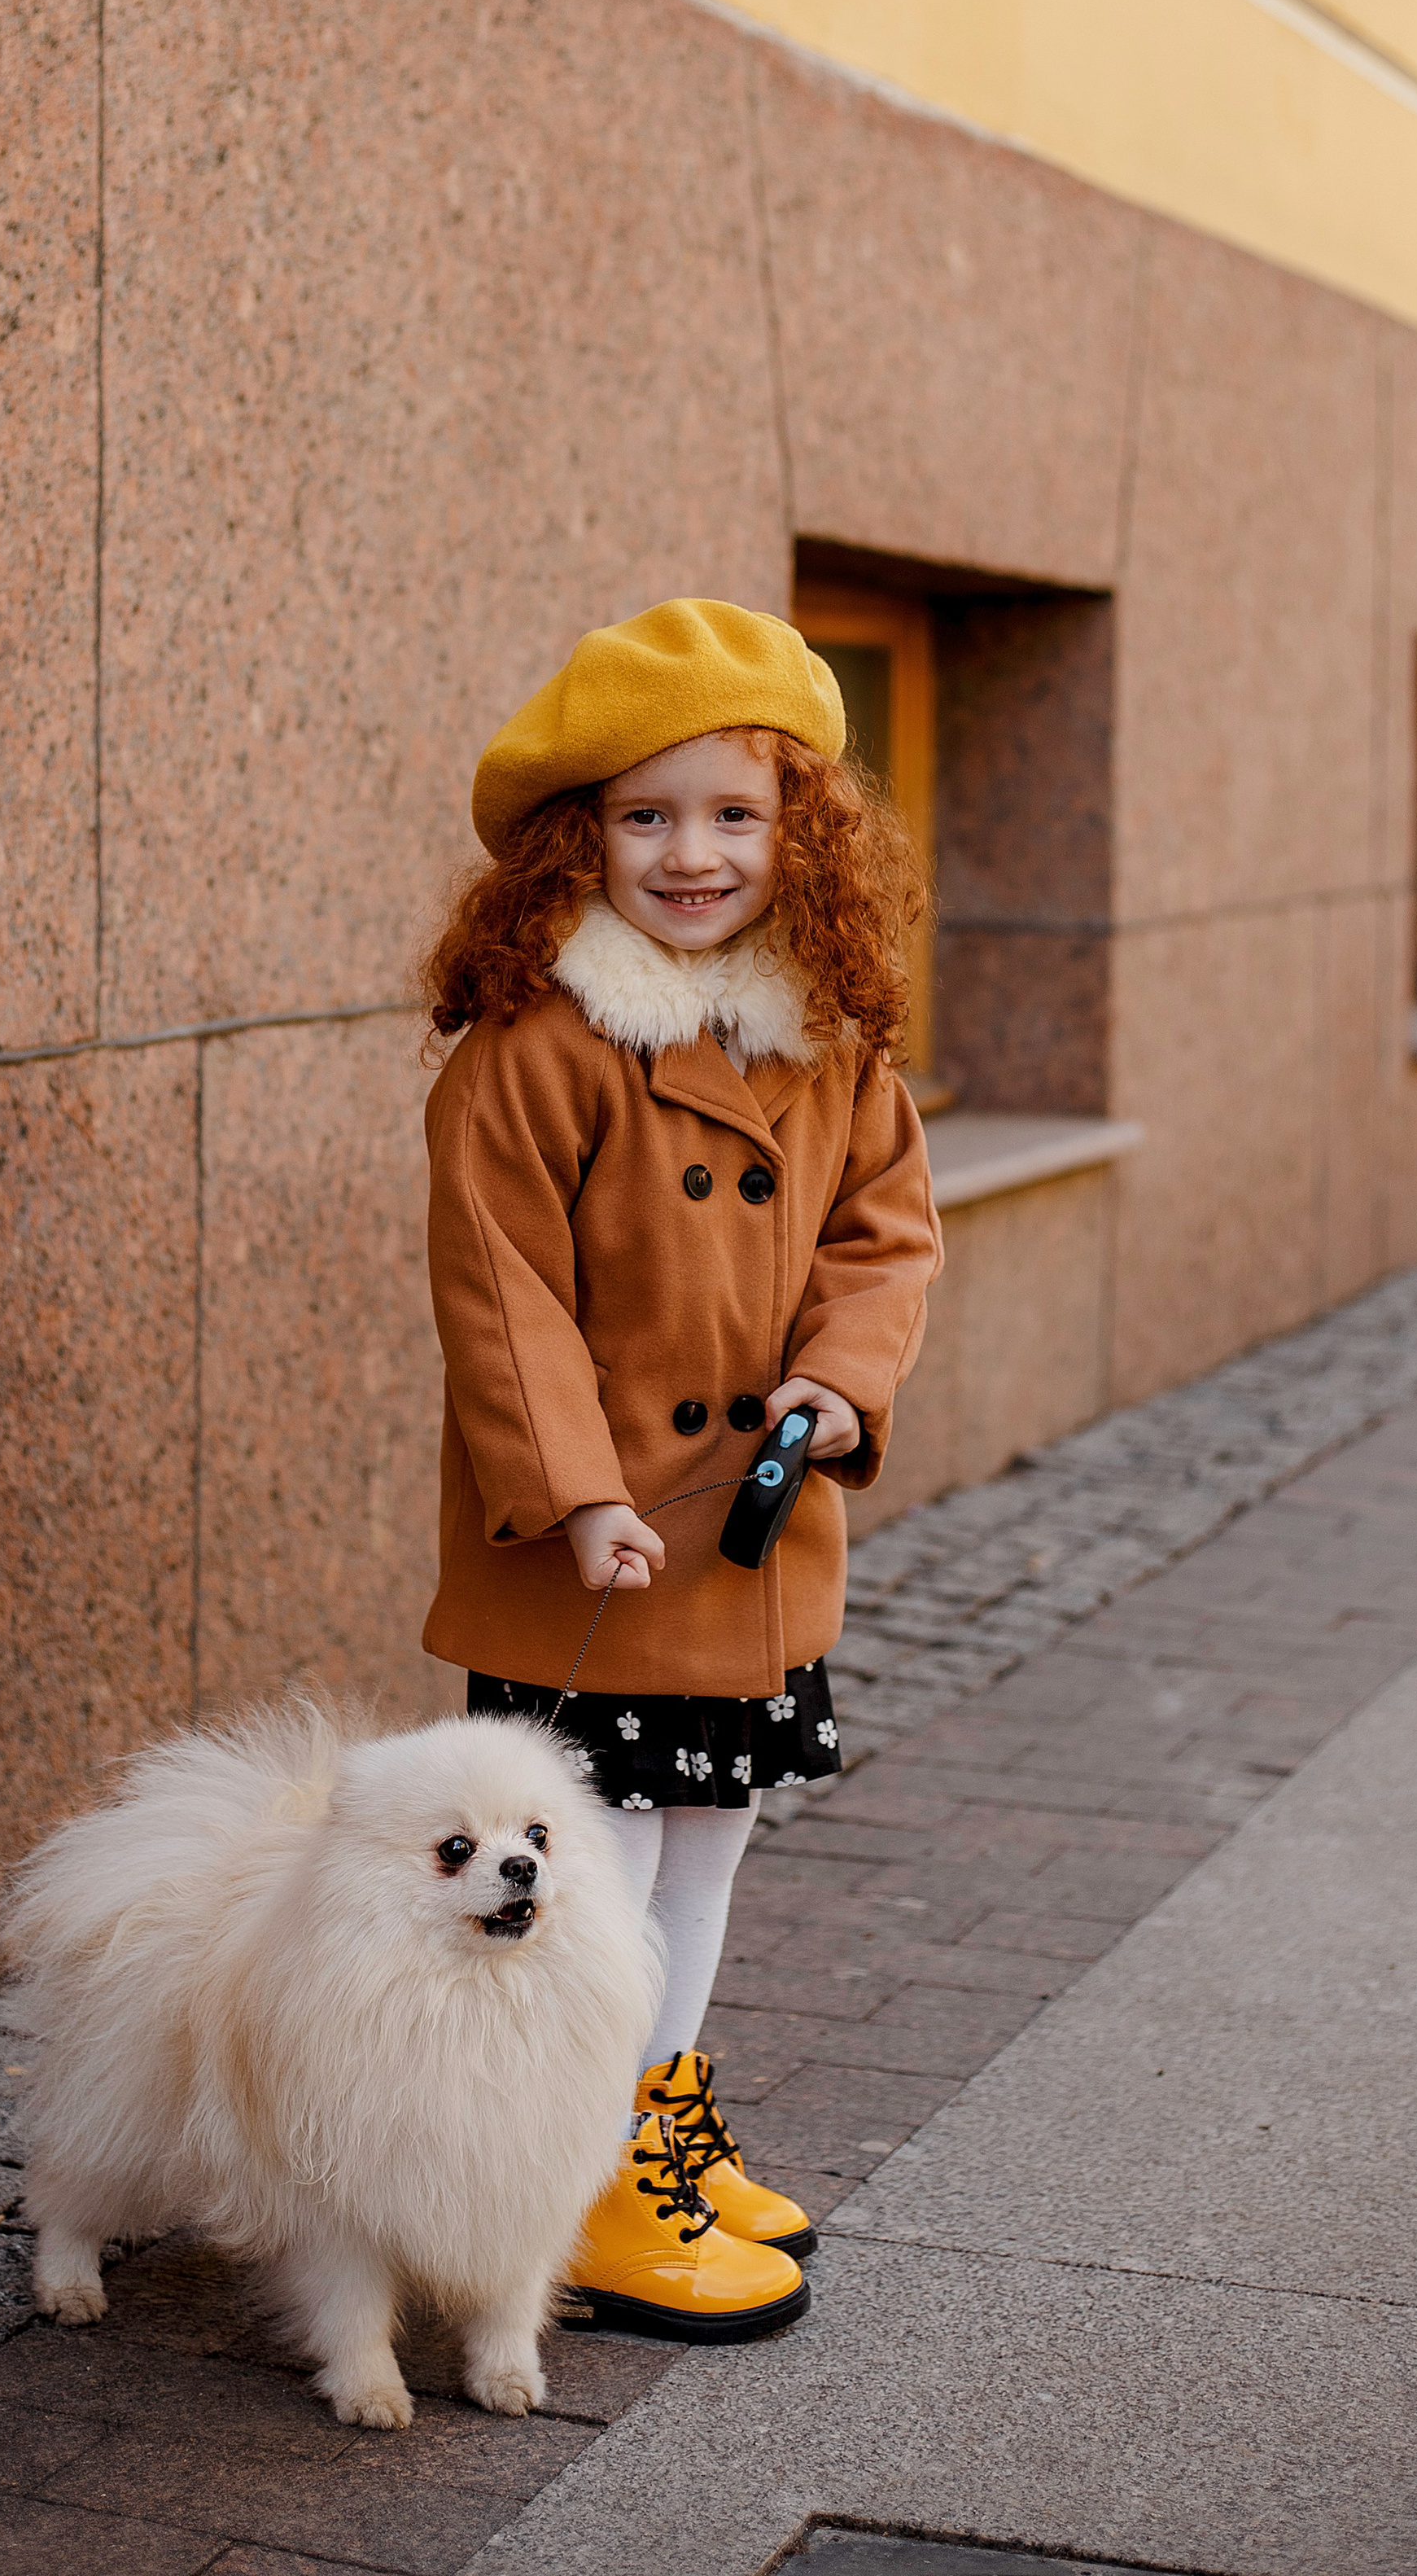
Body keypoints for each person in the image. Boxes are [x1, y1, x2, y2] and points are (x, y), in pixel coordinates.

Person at [418, 597, 944, 2338]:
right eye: (644, 816)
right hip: (600, 1552)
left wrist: (837, 1388)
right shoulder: (536, 1046)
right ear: (578, 838)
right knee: (602, 1869)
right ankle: (571, 2185)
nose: (692, 854)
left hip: (751, 1541)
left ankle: (654, 2122)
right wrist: (577, 1496)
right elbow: (502, 1297)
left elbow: (886, 1235)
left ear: (802, 832)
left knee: (706, 1844)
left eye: (734, 813)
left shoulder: (825, 1034)